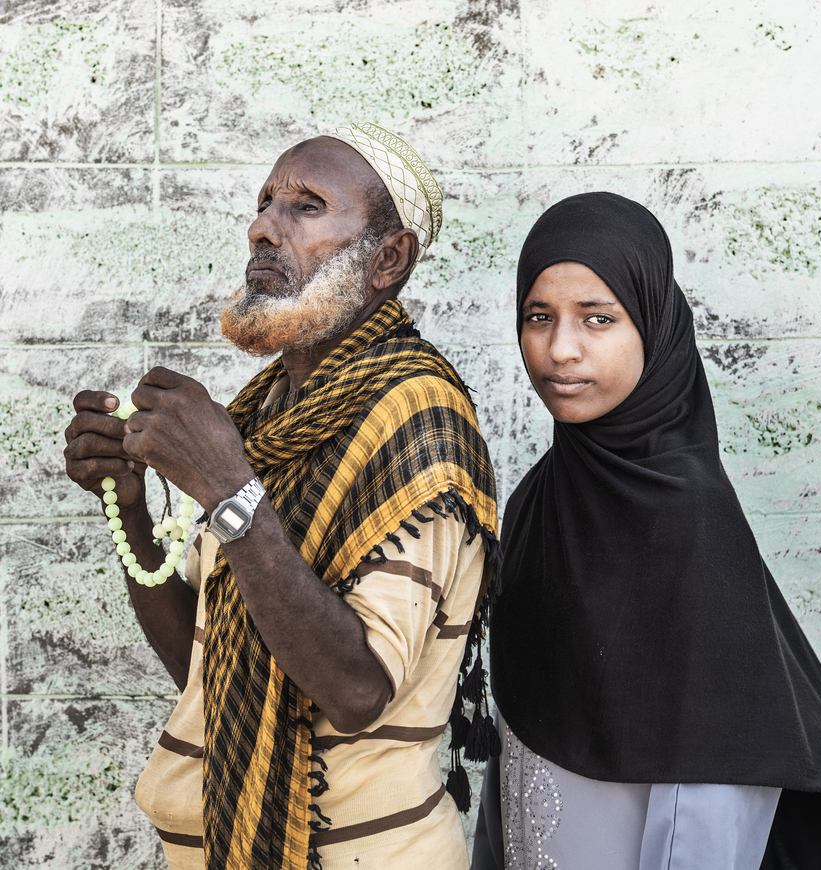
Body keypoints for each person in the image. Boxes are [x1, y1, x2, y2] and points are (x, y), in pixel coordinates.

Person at [63, 122, 501, 870]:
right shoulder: (269, 413)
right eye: (266, 201)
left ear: (389, 259)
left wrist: (228, 488)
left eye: (305, 206)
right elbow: (208, 668)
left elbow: (357, 691)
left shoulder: (417, 422)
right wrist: (129, 507)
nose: (262, 226)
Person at [472, 192, 821, 870]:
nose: (560, 350)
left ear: (652, 326)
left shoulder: (686, 515)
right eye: (539, 317)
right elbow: (519, 739)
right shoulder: (540, 499)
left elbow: (714, 793)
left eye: (598, 319)